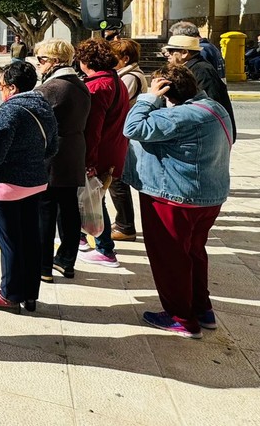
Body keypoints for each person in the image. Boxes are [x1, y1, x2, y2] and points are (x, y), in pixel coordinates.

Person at [123, 62, 232, 339]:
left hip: (174, 198)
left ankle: (181, 317)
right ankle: (201, 308)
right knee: (194, 252)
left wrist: (149, 97)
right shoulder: (213, 108)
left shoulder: (179, 117)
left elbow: (132, 127)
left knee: (170, 257)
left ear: (166, 90)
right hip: (208, 196)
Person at [0, 62, 58, 313]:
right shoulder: (44, 107)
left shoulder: (9, 110)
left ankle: (10, 294)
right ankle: (29, 294)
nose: (1, 91)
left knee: (10, 242)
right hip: (34, 181)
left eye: (2, 86)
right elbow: (53, 147)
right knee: (30, 240)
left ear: (12, 87)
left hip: (4, 185)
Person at [35, 40, 91, 284]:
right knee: (68, 208)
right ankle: (66, 260)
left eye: (41, 60)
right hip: (74, 151)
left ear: (53, 61)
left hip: (53, 155)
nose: (38, 65)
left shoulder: (52, 88)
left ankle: (43, 265)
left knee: (45, 210)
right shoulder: (80, 85)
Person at [75, 38, 130, 269]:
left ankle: (105, 248)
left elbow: (92, 129)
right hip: (114, 151)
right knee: (96, 199)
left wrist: (88, 162)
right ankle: (91, 241)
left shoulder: (97, 86)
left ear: (86, 61)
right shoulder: (116, 81)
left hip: (100, 155)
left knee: (95, 201)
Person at [109, 38, 148, 242]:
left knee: (118, 181)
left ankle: (126, 226)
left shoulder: (130, 77)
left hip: (124, 133)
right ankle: (122, 221)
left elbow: (117, 103)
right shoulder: (125, 74)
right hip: (123, 132)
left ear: (124, 58)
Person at [162, 35, 236, 142]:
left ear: (184, 53)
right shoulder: (190, 68)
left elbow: (209, 104)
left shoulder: (201, 70)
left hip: (209, 134)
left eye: (171, 51)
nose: (167, 54)